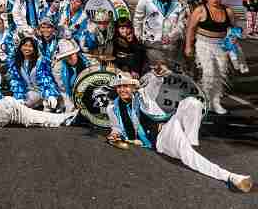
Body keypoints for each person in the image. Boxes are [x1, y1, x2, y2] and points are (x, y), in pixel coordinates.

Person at [105, 71, 252, 192]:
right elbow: (116, 127)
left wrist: (159, 72)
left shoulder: (143, 95)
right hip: (161, 139)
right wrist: (114, 134)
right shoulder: (112, 108)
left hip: (169, 123)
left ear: (133, 87)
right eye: (119, 86)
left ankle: (190, 142)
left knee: (193, 103)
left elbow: (155, 81)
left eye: (126, 86)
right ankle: (231, 177)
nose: (122, 89)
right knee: (188, 155)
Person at [184, 0, 238, 115]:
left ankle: (216, 101)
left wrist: (232, 46)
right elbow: (191, 28)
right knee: (208, 72)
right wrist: (188, 46)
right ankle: (204, 101)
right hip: (203, 44)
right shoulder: (200, 10)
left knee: (221, 73)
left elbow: (234, 30)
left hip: (221, 45)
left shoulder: (228, 11)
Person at [133, 0, 187, 67]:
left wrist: (171, 36)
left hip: (170, 46)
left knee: (167, 71)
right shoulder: (146, 0)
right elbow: (138, 19)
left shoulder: (179, 4)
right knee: (151, 70)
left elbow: (181, 24)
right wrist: (138, 35)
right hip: (150, 43)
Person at [51, 38, 97, 113]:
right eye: (66, 56)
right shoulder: (58, 69)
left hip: (90, 93)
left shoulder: (90, 61)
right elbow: (62, 89)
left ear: (77, 53)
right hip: (70, 96)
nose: (70, 57)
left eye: (72, 54)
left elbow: (97, 79)